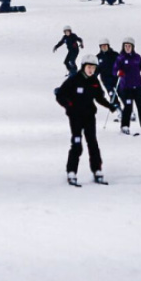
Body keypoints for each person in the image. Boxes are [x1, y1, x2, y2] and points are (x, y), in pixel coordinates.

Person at [55, 55, 116, 186]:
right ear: (83, 67)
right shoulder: (74, 80)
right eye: (89, 67)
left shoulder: (94, 81)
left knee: (92, 143)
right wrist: (68, 105)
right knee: (77, 144)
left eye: (93, 68)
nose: (91, 70)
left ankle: (97, 170)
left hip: (89, 117)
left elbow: (99, 98)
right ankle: (71, 172)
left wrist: (110, 106)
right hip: (75, 117)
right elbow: (60, 94)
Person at [113, 38, 141, 135]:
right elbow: (114, 70)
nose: (127, 48)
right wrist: (118, 72)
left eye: (129, 46)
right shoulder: (121, 58)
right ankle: (125, 126)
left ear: (132, 47)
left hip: (137, 86)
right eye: (126, 46)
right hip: (126, 87)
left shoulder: (137, 57)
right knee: (128, 107)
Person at [95, 40, 120, 109]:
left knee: (122, 93)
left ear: (108, 46)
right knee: (112, 94)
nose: (104, 47)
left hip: (116, 78)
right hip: (106, 80)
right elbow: (96, 69)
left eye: (105, 46)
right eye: (102, 46)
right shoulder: (98, 57)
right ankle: (119, 110)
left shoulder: (114, 54)